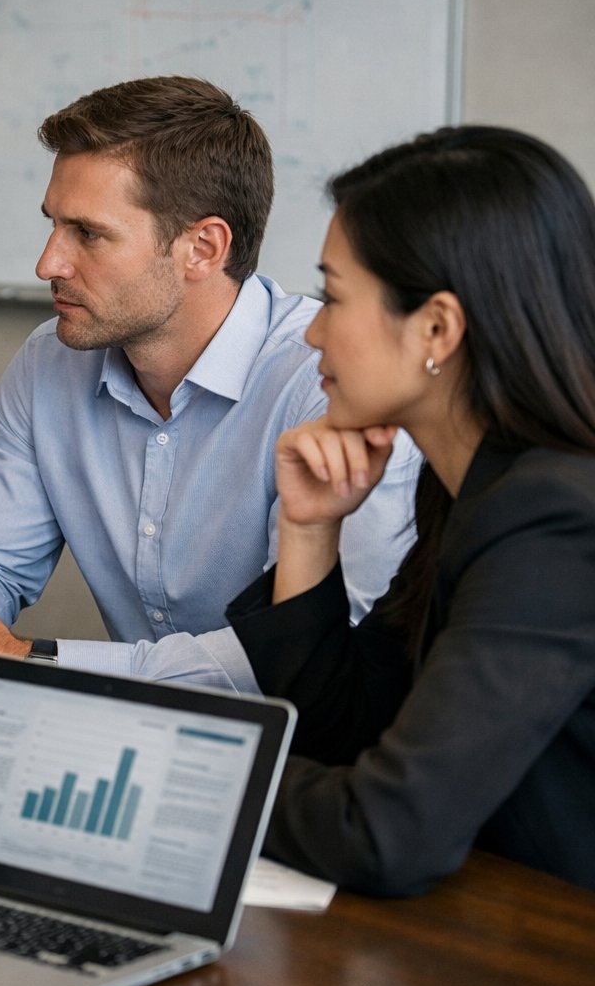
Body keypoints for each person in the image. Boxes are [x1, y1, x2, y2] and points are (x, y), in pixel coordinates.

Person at [0, 76, 418, 705]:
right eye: (53, 225)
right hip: (125, 748)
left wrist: (23, 660)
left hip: (299, 765)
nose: (48, 263)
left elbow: (295, 653)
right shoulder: (49, 362)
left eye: (89, 234)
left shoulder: (326, 384)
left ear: (202, 248)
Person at [225, 126, 595, 894]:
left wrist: (187, 771)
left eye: (332, 295)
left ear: (436, 328)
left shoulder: (552, 520)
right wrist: (309, 528)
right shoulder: (471, 487)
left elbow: (388, 831)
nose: (315, 331)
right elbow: (346, 732)